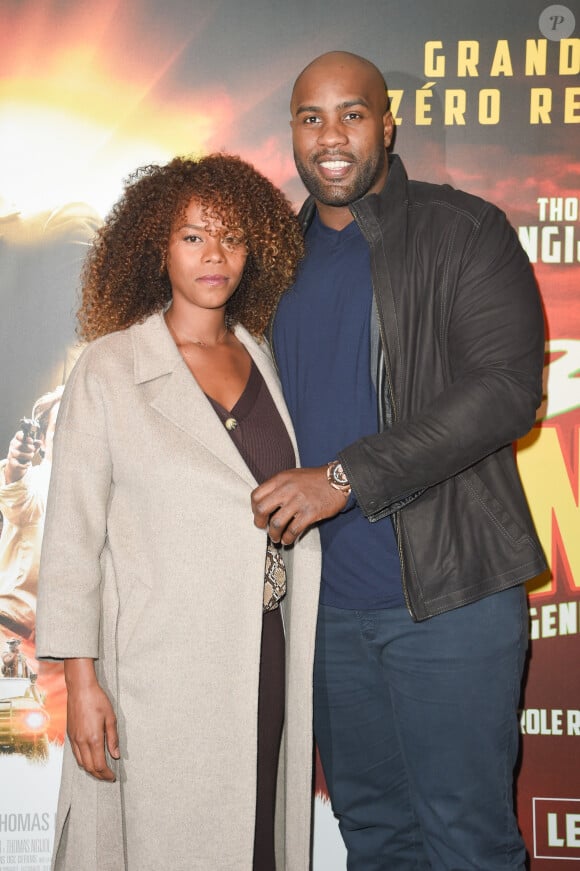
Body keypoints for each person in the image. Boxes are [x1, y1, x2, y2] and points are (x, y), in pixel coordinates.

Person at [251, 51, 547, 869]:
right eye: (312, 117)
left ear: (388, 123)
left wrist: (344, 478)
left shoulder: (465, 229)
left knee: (466, 840)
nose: (331, 136)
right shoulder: (267, 260)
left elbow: (505, 392)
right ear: (294, 135)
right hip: (320, 610)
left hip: (448, 599)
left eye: (352, 113)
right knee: (375, 837)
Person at [35, 154, 321, 871]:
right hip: (157, 673)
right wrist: (81, 680)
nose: (214, 255)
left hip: (263, 653)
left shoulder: (265, 357)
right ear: (155, 247)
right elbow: (71, 538)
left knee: (255, 842)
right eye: (192, 236)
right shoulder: (109, 367)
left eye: (230, 236)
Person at [0, 386, 63, 640]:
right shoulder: (39, 483)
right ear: (43, 443)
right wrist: (16, 462)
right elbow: (18, 493)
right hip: (15, 635)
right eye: (62, 425)